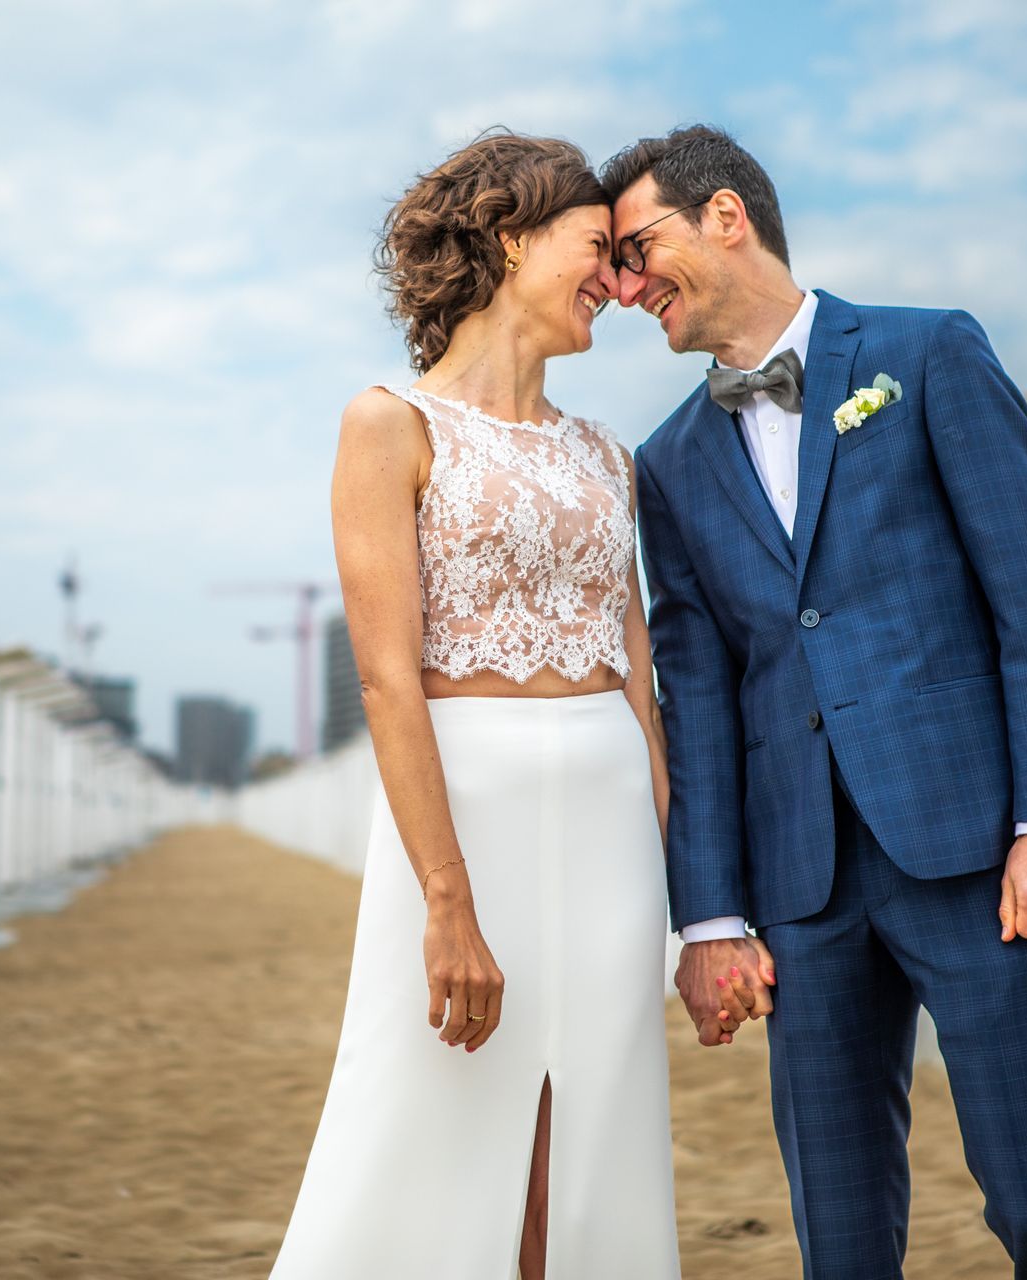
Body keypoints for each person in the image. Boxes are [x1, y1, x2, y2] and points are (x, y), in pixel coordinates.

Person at [610, 124, 1027, 1278]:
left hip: (979, 858)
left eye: (639, 250)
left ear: (725, 215)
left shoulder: (928, 353)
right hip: (801, 896)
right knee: (838, 1238)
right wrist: (710, 917)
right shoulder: (668, 462)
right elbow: (698, 698)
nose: (629, 288)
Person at [270, 130, 687, 1279]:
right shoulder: (389, 424)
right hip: (465, 817)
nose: (618, 279)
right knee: (429, 1110)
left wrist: (684, 899)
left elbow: (639, 677)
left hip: (611, 823)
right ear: (510, 237)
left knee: (590, 1129)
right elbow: (387, 677)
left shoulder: (607, 456)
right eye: (597, 247)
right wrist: (446, 902)